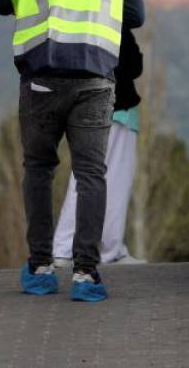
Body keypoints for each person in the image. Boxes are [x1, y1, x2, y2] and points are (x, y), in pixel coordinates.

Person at [0, 0, 145, 303]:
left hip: (43, 78)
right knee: (91, 174)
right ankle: (86, 274)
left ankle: (40, 268)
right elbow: (135, 14)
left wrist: (14, 4)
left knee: (39, 169)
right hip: (96, 80)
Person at [52, 26, 143, 265]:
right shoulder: (115, 22)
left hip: (91, 108)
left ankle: (88, 248)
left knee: (91, 179)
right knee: (107, 182)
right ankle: (83, 249)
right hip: (115, 108)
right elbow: (134, 65)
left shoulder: (76, 24)